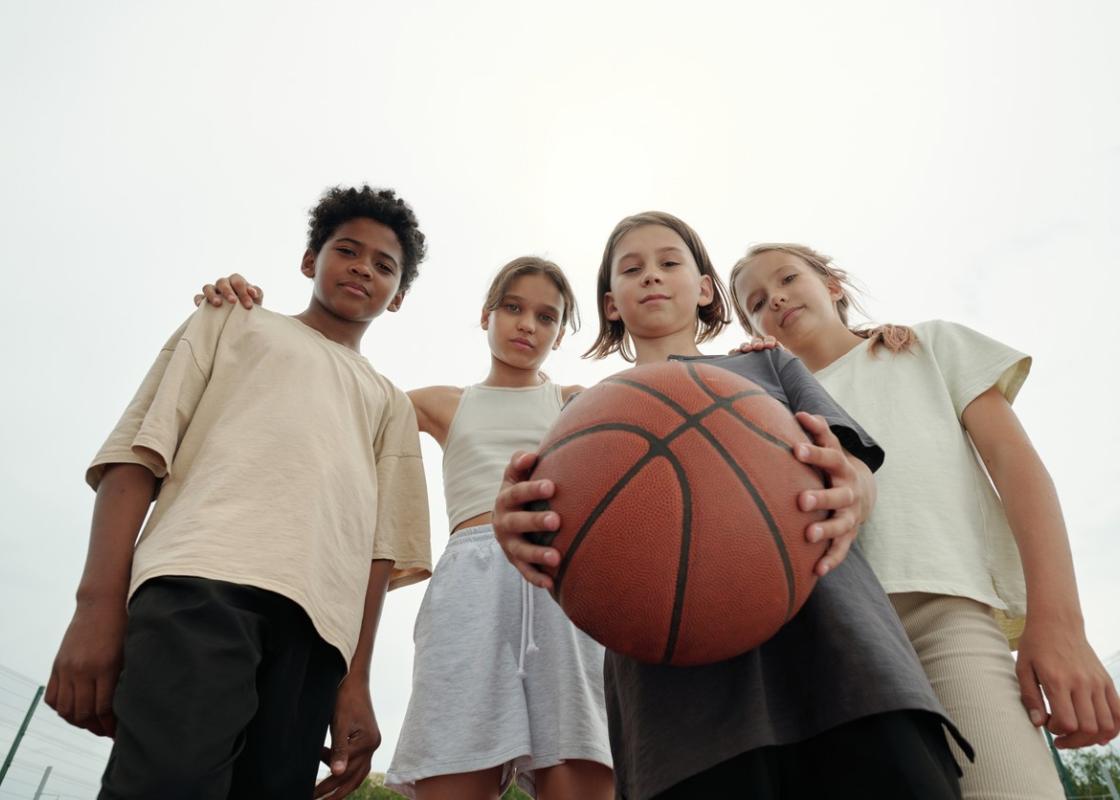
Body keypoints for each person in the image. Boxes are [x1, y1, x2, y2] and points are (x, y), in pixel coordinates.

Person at [491, 211, 970, 799]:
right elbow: (552, 530)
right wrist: (520, 528)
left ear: (704, 289)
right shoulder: (581, 420)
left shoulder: (766, 364)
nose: (652, 277)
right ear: (611, 302)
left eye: (670, 262)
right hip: (679, 720)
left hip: (844, 665)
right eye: (632, 269)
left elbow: (856, 473)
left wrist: (850, 491)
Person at [46, 185, 433, 800]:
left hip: (316, 635)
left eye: (385, 265)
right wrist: (95, 609)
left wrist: (354, 681)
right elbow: (135, 458)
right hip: (198, 585)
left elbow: (381, 552)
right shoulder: (230, 319)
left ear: (400, 296)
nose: (364, 267)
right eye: (347, 250)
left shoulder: (388, 401)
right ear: (310, 260)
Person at [196, 257, 614, 800]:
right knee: (452, 769)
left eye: (546, 316)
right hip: (470, 582)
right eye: (512, 308)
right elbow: (339, 389)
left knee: (578, 771)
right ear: (487, 314)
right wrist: (253, 318)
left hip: (557, 582)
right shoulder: (441, 402)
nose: (527, 324)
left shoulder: (577, 402)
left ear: (559, 335)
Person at [728, 243, 1120, 798]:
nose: (777, 299)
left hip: (945, 616)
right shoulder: (768, 406)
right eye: (757, 303)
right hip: (829, 641)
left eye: (788, 278)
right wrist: (746, 382)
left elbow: (1018, 470)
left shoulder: (928, 347)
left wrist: (1060, 625)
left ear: (832, 285)